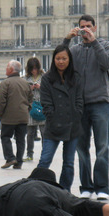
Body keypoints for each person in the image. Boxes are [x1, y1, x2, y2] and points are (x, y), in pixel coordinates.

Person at [63, 14, 109, 200]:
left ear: (94, 27)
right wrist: (67, 39)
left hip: (100, 102)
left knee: (102, 147)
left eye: (88, 26)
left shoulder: (105, 45)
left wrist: (94, 43)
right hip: (79, 105)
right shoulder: (74, 50)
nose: (86, 30)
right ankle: (86, 186)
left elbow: (107, 63)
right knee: (81, 148)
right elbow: (60, 61)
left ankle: (102, 187)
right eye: (82, 27)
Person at [37, 45, 83, 192]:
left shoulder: (76, 77)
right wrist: (52, 115)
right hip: (53, 125)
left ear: (69, 60)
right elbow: (45, 102)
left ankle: (64, 191)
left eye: (64, 58)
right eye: (58, 58)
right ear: (53, 60)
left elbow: (80, 99)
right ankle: (35, 188)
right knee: (45, 160)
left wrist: (77, 113)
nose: (61, 61)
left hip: (73, 125)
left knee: (69, 163)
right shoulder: (47, 78)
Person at [0, 60, 33, 170]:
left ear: (11, 69)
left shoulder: (5, 83)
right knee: (20, 139)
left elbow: (0, 100)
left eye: (7, 67)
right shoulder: (25, 83)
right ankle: (19, 161)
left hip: (9, 117)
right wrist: (27, 109)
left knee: (5, 137)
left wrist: (0, 113)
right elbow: (31, 99)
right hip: (23, 116)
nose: (6, 69)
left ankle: (10, 158)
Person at [25, 57, 45, 162]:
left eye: (35, 68)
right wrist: (29, 89)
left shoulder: (44, 76)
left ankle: (45, 154)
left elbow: (49, 89)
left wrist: (40, 87)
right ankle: (29, 154)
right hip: (31, 106)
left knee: (43, 132)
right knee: (30, 133)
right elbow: (23, 92)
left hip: (42, 106)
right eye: (32, 69)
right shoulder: (26, 78)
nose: (34, 71)